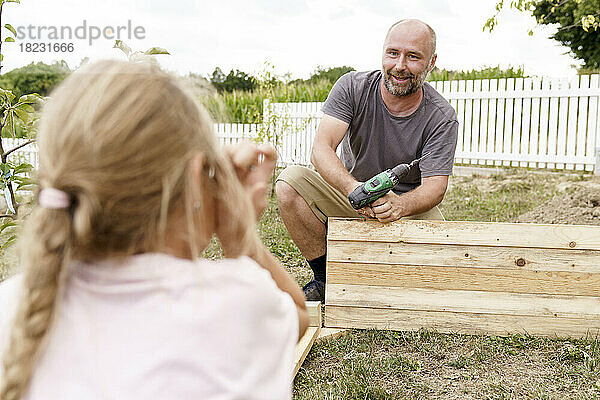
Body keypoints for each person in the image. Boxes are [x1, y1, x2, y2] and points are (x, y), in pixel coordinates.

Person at [0, 60, 308, 400]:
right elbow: (299, 315)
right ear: (194, 178)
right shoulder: (236, 301)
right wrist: (239, 234)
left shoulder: (13, 305)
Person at [276, 19, 459, 302]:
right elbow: (322, 149)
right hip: (353, 199)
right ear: (382, 53)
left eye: (413, 56)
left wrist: (400, 204)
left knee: (444, 259)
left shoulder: (441, 115)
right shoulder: (352, 87)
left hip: (404, 210)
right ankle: (327, 279)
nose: (400, 65)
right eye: (393, 53)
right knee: (290, 183)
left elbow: (435, 187)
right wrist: (353, 189)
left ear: (431, 62)